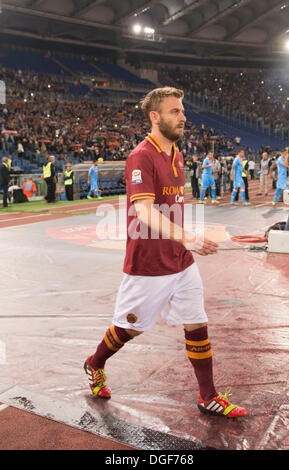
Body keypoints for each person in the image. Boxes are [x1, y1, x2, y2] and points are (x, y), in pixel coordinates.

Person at [84, 86, 248, 419]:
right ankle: (95, 362)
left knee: (197, 322)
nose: (183, 117)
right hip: (148, 264)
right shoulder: (140, 156)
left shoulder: (177, 154)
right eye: (175, 111)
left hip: (181, 261)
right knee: (130, 328)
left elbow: (171, 207)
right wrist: (187, 236)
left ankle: (208, 396)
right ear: (155, 116)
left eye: (183, 110)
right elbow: (143, 211)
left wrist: (184, 242)